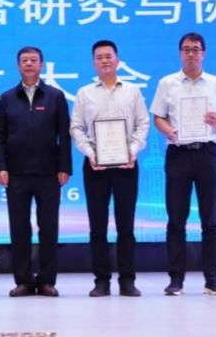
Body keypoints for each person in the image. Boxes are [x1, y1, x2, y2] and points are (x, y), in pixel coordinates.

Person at [149, 32, 216, 297]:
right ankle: (176, 280)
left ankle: (212, 279)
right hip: (179, 153)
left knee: (210, 220)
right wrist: (169, 130)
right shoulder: (167, 83)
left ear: (203, 53)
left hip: (208, 152)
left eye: (195, 49)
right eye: (186, 49)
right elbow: (158, 117)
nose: (191, 54)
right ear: (180, 53)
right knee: (176, 219)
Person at [69, 40, 149, 297]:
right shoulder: (84, 93)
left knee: (126, 226)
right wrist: (90, 153)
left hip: (127, 164)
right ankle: (101, 280)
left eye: (108, 56)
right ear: (94, 62)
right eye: (99, 57)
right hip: (95, 166)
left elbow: (143, 124)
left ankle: (127, 280)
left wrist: (133, 150)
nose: (104, 60)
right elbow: (76, 128)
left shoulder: (133, 91)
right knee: (97, 227)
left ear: (117, 60)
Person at [0, 46, 73, 297]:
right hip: (16, 173)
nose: (29, 64)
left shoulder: (55, 96)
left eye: (33, 60)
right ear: (18, 65)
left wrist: (64, 167)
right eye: (24, 60)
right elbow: (0, 136)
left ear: (41, 64)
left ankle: (47, 280)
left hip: (48, 173)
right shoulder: (8, 98)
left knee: (48, 227)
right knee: (19, 228)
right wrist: (1, 167)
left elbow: (64, 135)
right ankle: (24, 281)